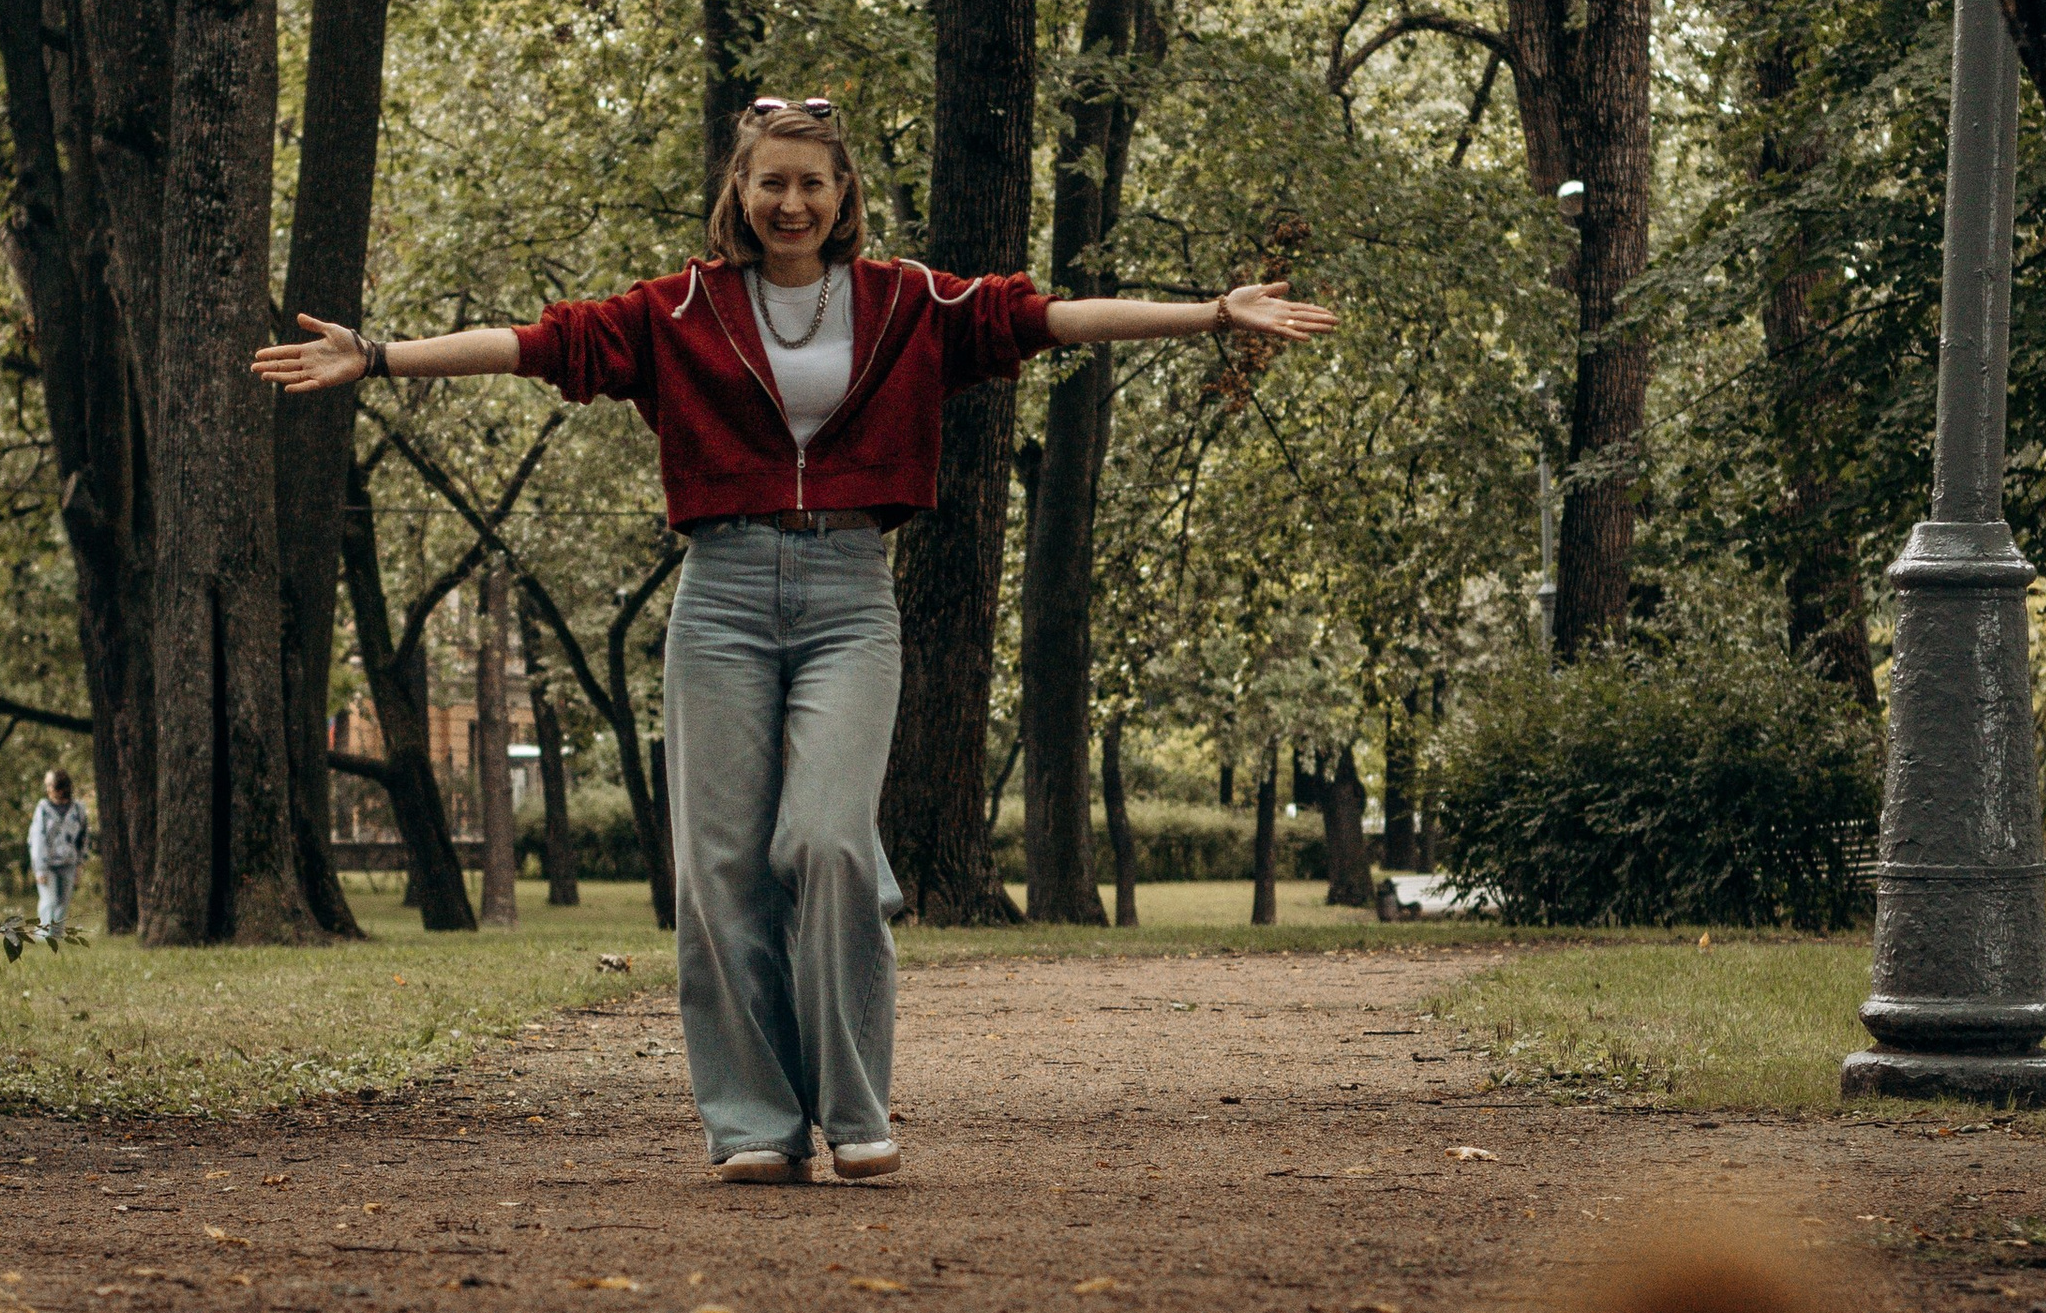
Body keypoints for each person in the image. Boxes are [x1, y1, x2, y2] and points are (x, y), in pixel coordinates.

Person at [254, 96, 1333, 1182]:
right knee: (721, 867)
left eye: (811, 183)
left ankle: (855, 1112)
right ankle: (755, 1127)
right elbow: (538, 347)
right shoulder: (679, 309)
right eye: (770, 181)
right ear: (740, 190)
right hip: (720, 597)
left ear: (842, 194)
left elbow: (1046, 319)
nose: (790, 202)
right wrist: (379, 357)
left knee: (827, 840)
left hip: (849, 597)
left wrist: (1212, 313)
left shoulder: (907, 301)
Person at [28, 767, 91, 944]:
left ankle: (55, 938)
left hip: (69, 863)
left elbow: (83, 838)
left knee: (63, 903)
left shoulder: (77, 809)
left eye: (51, 785)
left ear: (62, 788)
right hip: (47, 864)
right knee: (49, 901)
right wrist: (39, 869)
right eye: (47, 785)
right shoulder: (43, 809)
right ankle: (43, 938)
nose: (48, 789)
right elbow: (37, 839)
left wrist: (80, 865)